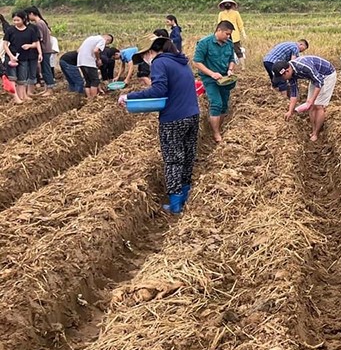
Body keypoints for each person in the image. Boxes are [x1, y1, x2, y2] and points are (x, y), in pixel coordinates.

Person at [119, 37, 200, 215]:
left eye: (145, 56)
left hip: (173, 118)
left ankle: (175, 204)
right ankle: (185, 195)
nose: (146, 61)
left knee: (172, 160)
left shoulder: (159, 62)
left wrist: (130, 97)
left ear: (150, 52)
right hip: (192, 114)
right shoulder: (181, 61)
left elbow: (159, 90)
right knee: (187, 155)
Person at [272, 55, 337, 142]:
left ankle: (316, 133)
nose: (282, 80)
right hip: (315, 77)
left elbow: (319, 81)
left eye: (282, 77)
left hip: (327, 75)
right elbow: (294, 93)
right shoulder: (291, 74)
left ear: (287, 71)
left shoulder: (304, 67)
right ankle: (313, 130)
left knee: (318, 105)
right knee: (311, 105)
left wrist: (312, 100)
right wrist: (290, 111)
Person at [193, 21, 237, 143]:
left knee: (224, 104)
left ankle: (219, 127)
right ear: (219, 31)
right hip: (210, 78)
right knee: (216, 103)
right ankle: (216, 133)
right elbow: (197, 62)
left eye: (230, 35)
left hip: (225, 78)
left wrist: (230, 69)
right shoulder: (204, 43)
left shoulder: (229, 44)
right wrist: (212, 73)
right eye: (227, 34)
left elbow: (232, 59)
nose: (228, 37)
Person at [3, 11, 42, 104]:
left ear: (24, 19)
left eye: (18, 20)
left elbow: (36, 43)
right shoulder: (10, 30)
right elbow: (5, 45)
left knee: (22, 79)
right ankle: (16, 98)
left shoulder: (30, 30)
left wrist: (30, 47)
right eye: (14, 20)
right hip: (11, 57)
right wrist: (11, 56)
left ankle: (22, 96)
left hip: (24, 58)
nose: (16, 22)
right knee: (12, 78)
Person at [26, 7, 55, 95]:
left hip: (44, 50)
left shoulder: (38, 24)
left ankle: (50, 89)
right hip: (47, 49)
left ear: (31, 14)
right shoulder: (42, 22)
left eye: (28, 15)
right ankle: (47, 89)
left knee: (46, 70)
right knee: (45, 69)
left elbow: (39, 39)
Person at [76, 33, 113, 99]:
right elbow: (96, 50)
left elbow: (78, 50)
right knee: (95, 80)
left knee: (88, 81)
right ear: (108, 40)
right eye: (107, 44)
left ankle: (89, 97)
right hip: (89, 62)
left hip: (80, 61)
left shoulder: (90, 38)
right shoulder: (102, 40)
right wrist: (98, 59)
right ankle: (94, 98)